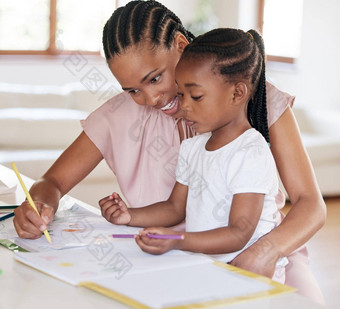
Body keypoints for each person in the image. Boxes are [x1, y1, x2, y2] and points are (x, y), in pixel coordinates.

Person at [13, 0, 325, 302]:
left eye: (155, 78)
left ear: (179, 44)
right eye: (133, 90)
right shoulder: (118, 117)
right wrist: (38, 205)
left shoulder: (249, 96)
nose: (150, 99)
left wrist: (266, 252)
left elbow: (310, 204)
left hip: (265, 257)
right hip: (169, 261)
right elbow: (52, 182)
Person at [99, 27, 289, 283]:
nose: (184, 106)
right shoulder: (193, 148)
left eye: (196, 96)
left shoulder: (251, 152)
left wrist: (178, 240)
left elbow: (239, 233)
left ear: (238, 93)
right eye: (181, 94)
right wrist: (129, 216)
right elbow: (175, 208)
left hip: (251, 275)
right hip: (209, 266)